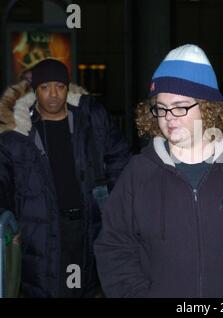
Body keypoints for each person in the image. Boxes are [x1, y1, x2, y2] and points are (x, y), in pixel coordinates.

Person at [94, 44, 223, 298]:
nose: (168, 117)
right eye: (160, 108)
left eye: (180, 106)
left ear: (208, 108)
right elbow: (114, 247)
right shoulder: (138, 172)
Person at [0, 58, 131, 298]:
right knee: (46, 287)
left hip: (87, 225)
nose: (53, 94)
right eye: (45, 87)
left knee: (83, 288)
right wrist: (8, 221)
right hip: (38, 229)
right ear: (34, 90)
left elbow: (119, 157)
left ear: (67, 88)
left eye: (59, 86)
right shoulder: (18, 132)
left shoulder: (90, 119)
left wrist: (116, 205)